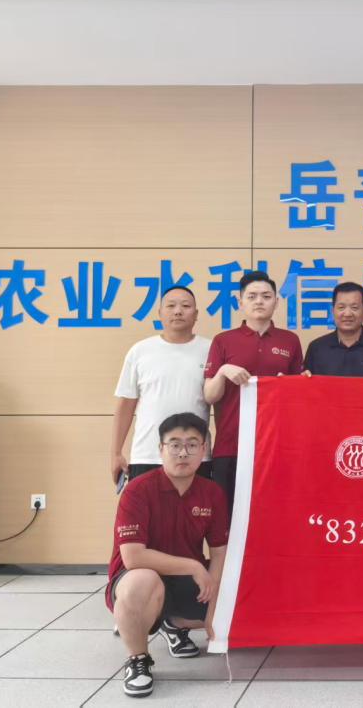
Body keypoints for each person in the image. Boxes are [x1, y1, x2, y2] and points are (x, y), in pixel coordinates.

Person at [106, 413, 228, 698]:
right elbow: (133, 557)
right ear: (160, 449)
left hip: (184, 581)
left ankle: (175, 624)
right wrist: (193, 566)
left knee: (242, 590)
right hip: (137, 580)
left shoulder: (212, 493)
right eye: (174, 445)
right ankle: (137, 659)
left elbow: (220, 554)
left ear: (204, 449)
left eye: (192, 445)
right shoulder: (138, 489)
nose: (183, 453)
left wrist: (214, 610)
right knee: (144, 580)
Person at [204, 270, 303, 517]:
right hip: (230, 446)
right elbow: (210, 396)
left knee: (273, 518)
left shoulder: (290, 341)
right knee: (227, 521)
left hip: (275, 446)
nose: (259, 301)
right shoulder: (223, 340)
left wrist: (291, 386)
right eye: (252, 296)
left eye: (266, 296)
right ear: (240, 303)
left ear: (276, 302)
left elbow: (297, 398)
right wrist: (223, 371)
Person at [111, 285, 213, 486]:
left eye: (185, 306)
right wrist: (116, 454)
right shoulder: (140, 351)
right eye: (171, 306)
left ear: (196, 314)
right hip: (147, 455)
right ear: (159, 313)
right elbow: (125, 406)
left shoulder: (211, 349)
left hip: (196, 456)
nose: (178, 311)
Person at [304, 281, 363, 377]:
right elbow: (308, 383)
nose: (347, 314)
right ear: (333, 311)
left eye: (354, 307)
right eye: (341, 307)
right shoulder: (317, 348)